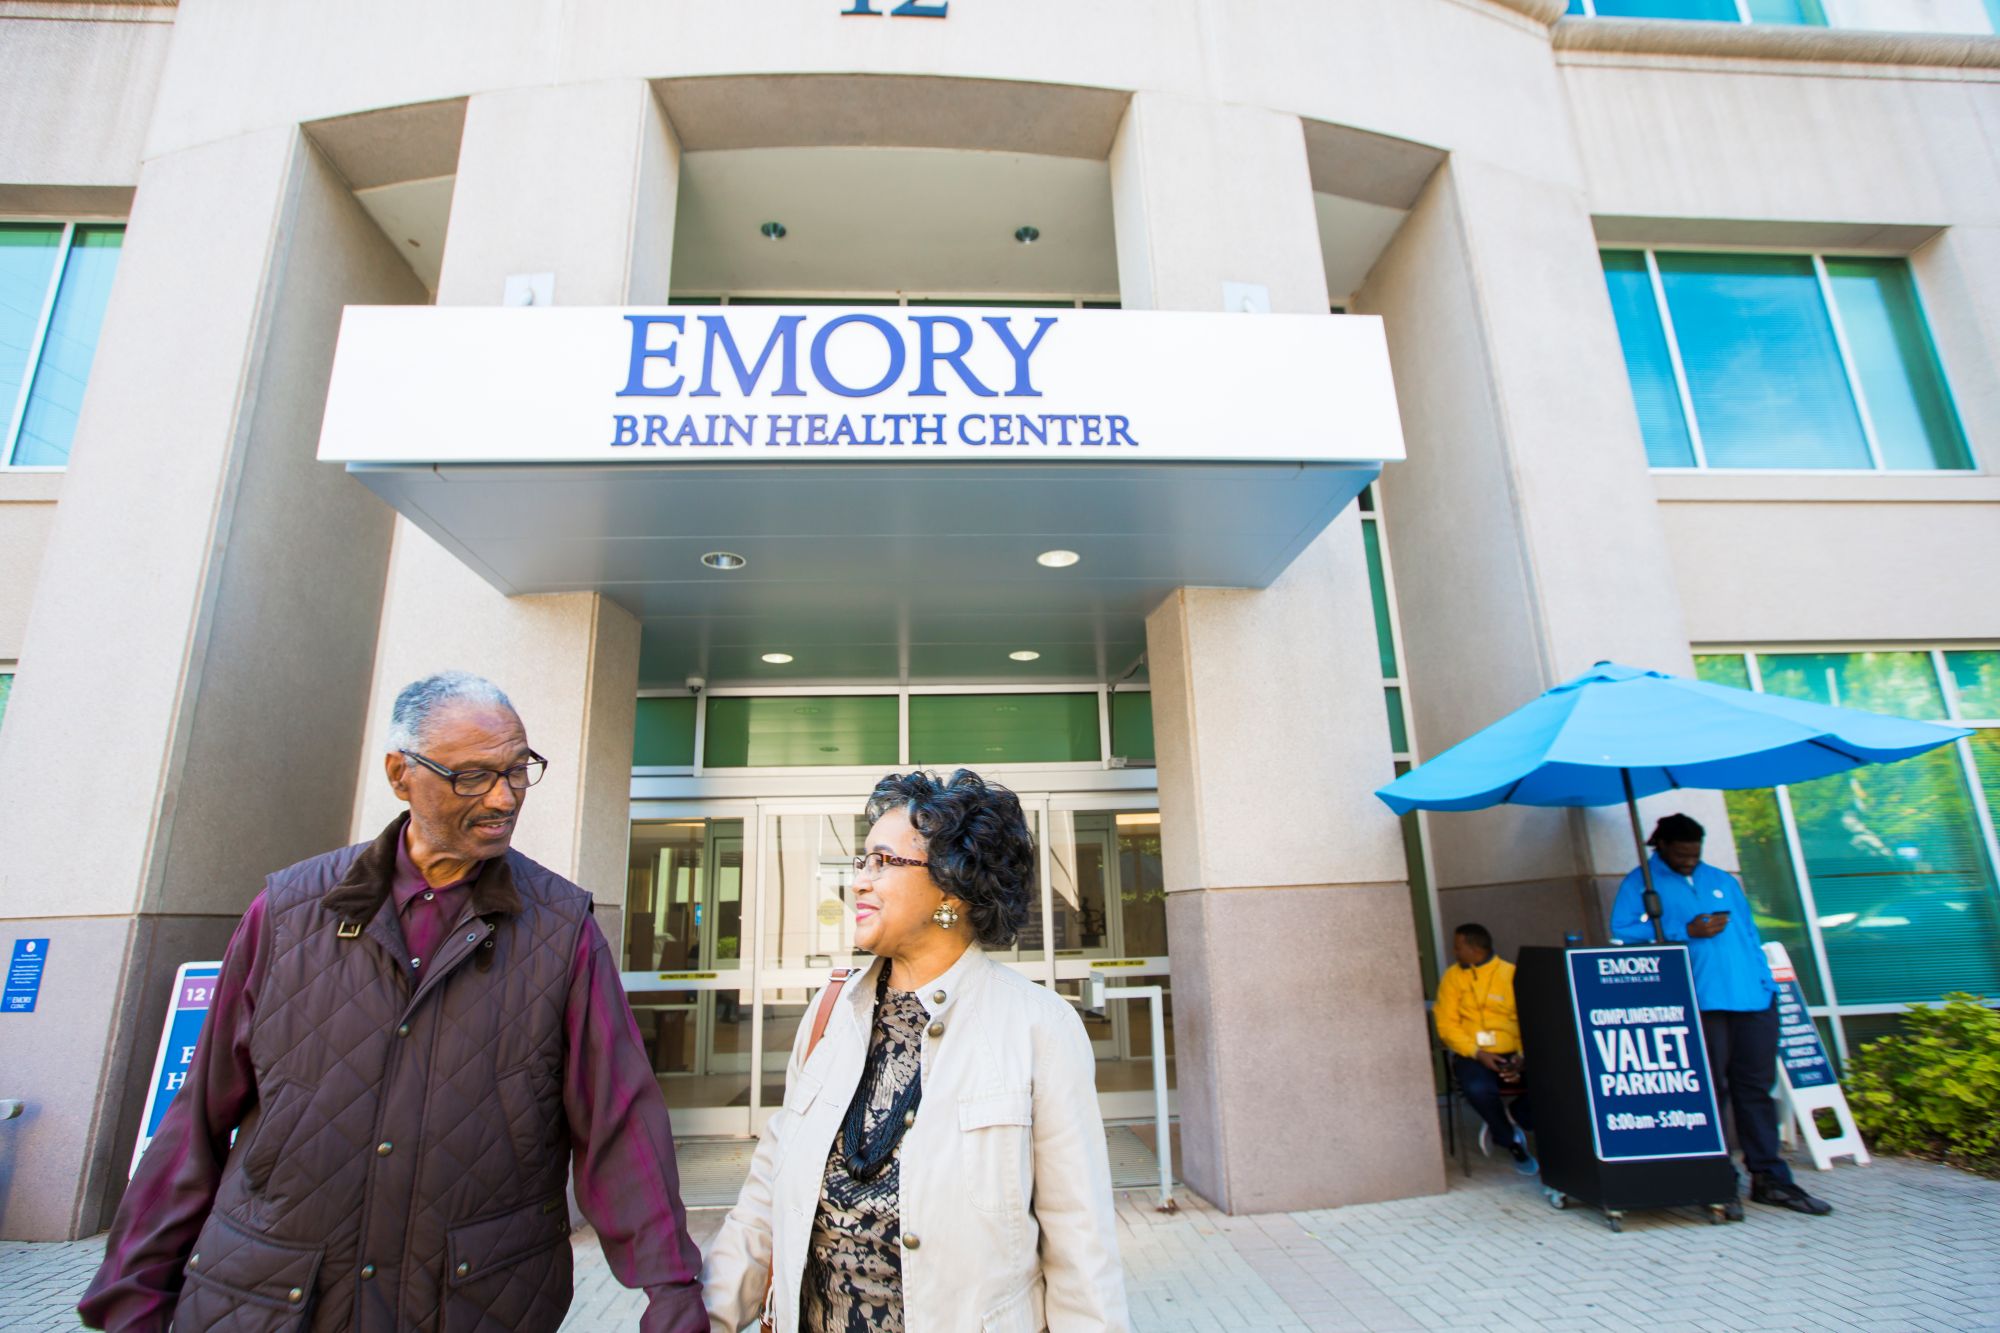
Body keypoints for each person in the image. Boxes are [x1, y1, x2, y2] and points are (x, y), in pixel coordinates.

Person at [79, 671, 708, 1331]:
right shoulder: (289, 911)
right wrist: (134, 1289)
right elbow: (198, 1118)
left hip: (474, 1301)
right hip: (268, 1300)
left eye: (519, 769)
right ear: (399, 773)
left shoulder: (561, 927)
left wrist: (672, 1288)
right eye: (472, 776)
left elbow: (619, 1121)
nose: (504, 796)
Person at [702, 769, 1127, 1332]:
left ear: (951, 888)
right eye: (862, 862)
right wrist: (708, 1315)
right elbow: (764, 1200)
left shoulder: (1039, 1029)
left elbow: (1081, 1252)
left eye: (882, 862)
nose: (858, 881)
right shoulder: (830, 1014)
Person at [1611, 812, 1833, 1218]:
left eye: (1695, 854)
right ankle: (1718, 1180)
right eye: (1681, 854)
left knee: (1756, 1091)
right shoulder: (1640, 882)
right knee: (1710, 1093)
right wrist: (1682, 930)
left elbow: (1750, 932)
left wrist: (1767, 984)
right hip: (1700, 1001)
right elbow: (1622, 930)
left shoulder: (1722, 880)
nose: (1689, 861)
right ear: (1661, 846)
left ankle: (1770, 1179)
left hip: (1752, 997)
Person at [1434, 924, 1537, 1175]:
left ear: (1474, 948)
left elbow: (1530, 1018)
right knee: (1477, 1088)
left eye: (1458, 946)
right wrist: (1477, 1052)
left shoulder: (1510, 974)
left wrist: (1521, 1056)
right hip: (1474, 1055)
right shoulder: (1452, 977)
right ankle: (1509, 1140)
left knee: (1555, 1084)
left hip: (1513, 1052)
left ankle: (1517, 1116)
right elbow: (1446, 1024)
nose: (1454, 951)